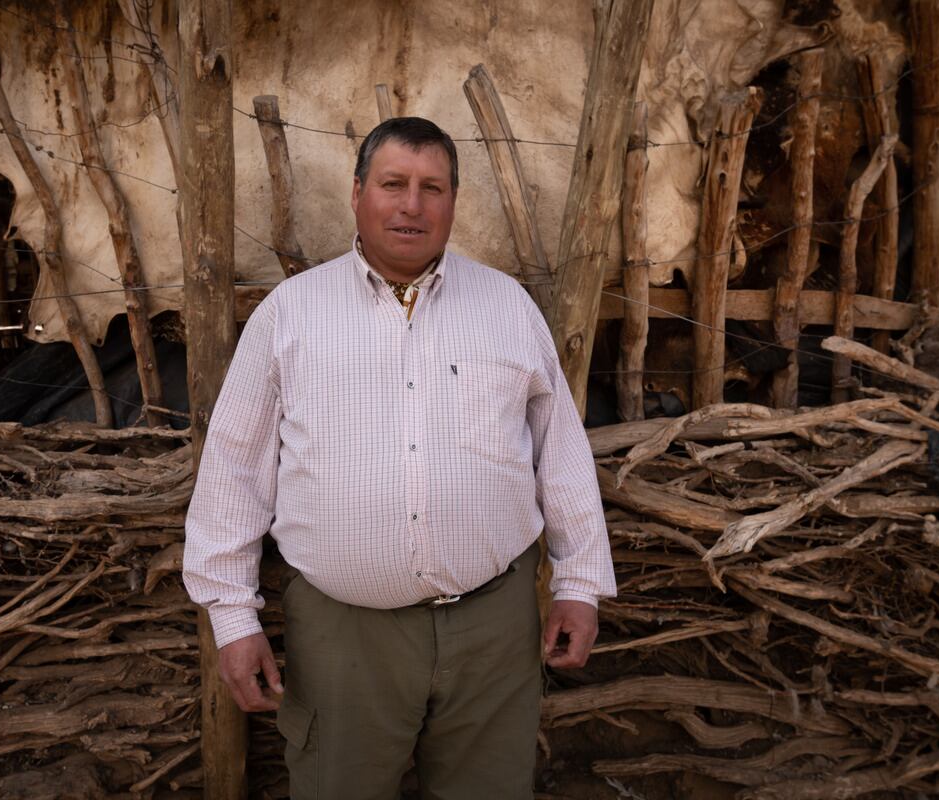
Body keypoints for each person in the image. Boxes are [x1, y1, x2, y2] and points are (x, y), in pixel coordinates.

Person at [183, 116, 615, 799]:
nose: (413, 204)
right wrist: (233, 618)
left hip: (494, 628)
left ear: (452, 201)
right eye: (393, 184)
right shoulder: (290, 314)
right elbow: (232, 474)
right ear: (357, 195)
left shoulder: (507, 307)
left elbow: (559, 453)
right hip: (344, 634)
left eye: (432, 188)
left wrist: (579, 583)